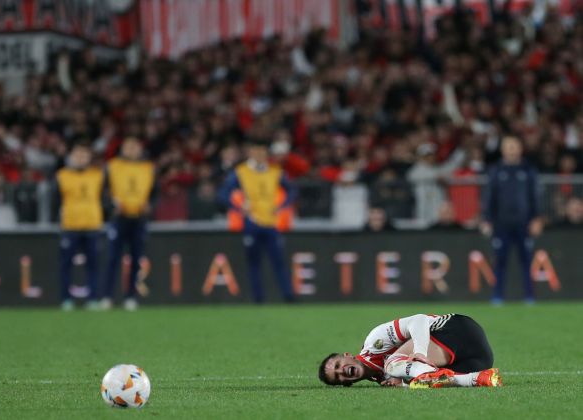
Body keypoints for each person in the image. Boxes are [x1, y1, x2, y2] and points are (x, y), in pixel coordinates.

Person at [318, 313, 501, 388]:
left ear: (347, 356)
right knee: (404, 376)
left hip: (458, 329)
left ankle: (472, 379)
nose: (341, 370)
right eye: (338, 376)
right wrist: (404, 384)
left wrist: (420, 351)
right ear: (346, 383)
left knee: (391, 365)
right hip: (478, 361)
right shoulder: (383, 380)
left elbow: (419, 320)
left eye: (338, 365)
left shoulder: (375, 342)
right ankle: (479, 378)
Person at [218, 138, 296, 303]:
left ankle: (288, 296)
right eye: (256, 151)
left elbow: (292, 191)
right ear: (250, 153)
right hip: (251, 222)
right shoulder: (241, 172)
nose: (260, 155)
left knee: (279, 261)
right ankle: (258, 298)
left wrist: (282, 205)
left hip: (271, 223)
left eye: (262, 151)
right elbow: (223, 194)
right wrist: (239, 208)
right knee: (254, 263)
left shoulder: (275, 171)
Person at [480, 136, 543, 305]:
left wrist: (537, 218)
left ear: (520, 148)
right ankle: (497, 296)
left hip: (524, 223)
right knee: (500, 261)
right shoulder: (496, 171)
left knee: (527, 261)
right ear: (503, 150)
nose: (512, 149)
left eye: (514, 146)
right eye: (508, 146)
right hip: (502, 224)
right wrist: (486, 219)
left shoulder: (528, 170)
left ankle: (530, 297)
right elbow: (489, 197)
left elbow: (535, 196)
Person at [101, 137, 157, 311]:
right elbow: (103, 192)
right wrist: (111, 206)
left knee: (136, 259)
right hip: (119, 219)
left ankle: (131, 297)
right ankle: (107, 296)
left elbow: (155, 193)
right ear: (122, 149)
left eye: (135, 147)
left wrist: (150, 206)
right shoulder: (112, 167)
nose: (132, 150)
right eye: (128, 147)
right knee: (112, 258)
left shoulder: (148, 168)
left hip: (139, 219)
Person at [54, 142, 104, 310]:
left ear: (89, 158)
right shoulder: (62, 175)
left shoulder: (98, 175)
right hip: (70, 226)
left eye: (84, 155)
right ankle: (66, 299)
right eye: (77, 155)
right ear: (71, 157)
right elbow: (55, 201)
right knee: (65, 264)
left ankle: (93, 299)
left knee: (93, 265)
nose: (81, 159)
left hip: (92, 225)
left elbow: (104, 199)